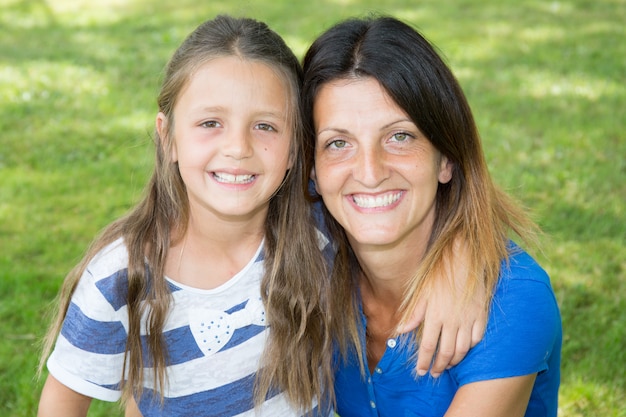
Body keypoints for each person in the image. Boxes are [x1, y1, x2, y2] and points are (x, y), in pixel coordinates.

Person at [36, 14, 484, 417]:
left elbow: (422, 209)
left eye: (265, 126)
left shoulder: (316, 227)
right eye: (211, 122)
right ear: (167, 136)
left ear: (295, 148)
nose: (238, 148)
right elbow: (62, 404)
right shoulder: (120, 278)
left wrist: (457, 257)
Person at [301, 16, 562, 417]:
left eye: (399, 136)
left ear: (446, 158)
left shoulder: (511, 300)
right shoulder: (312, 267)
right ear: (313, 170)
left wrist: (469, 254)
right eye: (338, 143)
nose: (370, 172)